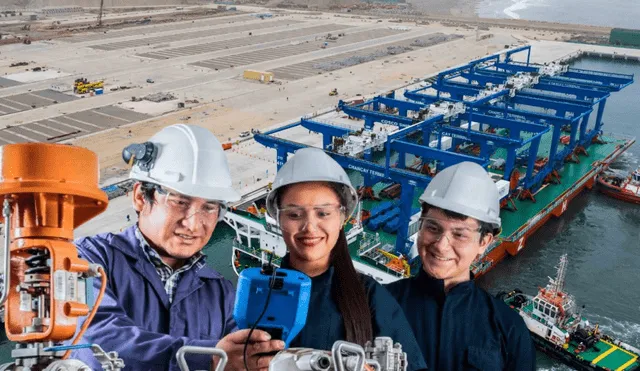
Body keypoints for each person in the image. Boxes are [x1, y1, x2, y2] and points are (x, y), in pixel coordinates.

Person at [70, 124, 283, 371]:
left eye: (209, 207)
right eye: (179, 201)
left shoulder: (221, 293)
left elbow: (242, 355)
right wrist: (210, 359)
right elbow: (96, 336)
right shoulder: (87, 259)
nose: (192, 224)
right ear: (140, 197)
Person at [264, 147, 428, 371]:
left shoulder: (369, 297)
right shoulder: (258, 293)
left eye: (323, 213)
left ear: (342, 218)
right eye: (294, 214)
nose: (309, 227)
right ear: (278, 218)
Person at [385, 162, 536, 371]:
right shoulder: (377, 304)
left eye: (460, 234)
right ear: (420, 226)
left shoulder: (510, 329)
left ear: (484, 242)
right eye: (432, 227)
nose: (441, 245)